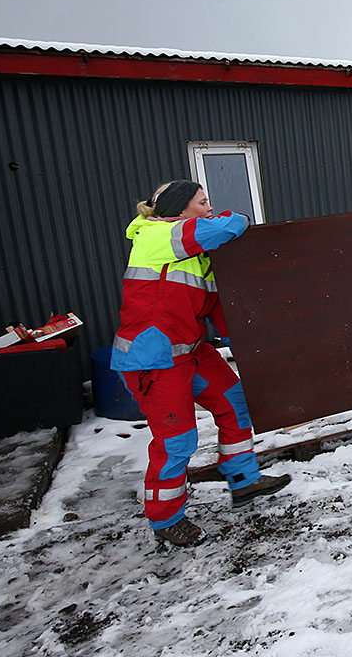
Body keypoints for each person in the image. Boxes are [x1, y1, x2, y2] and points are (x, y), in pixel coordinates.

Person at [111, 180, 290, 546]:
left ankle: (243, 479)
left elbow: (220, 311)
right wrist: (236, 218)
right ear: (180, 209)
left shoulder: (197, 255)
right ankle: (166, 519)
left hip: (190, 352)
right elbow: (228, 225)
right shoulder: (157, 236)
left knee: (234, 402)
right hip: (154, 360)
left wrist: (256, 347)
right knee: (177, 441)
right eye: (203, 202)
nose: (210, 208)